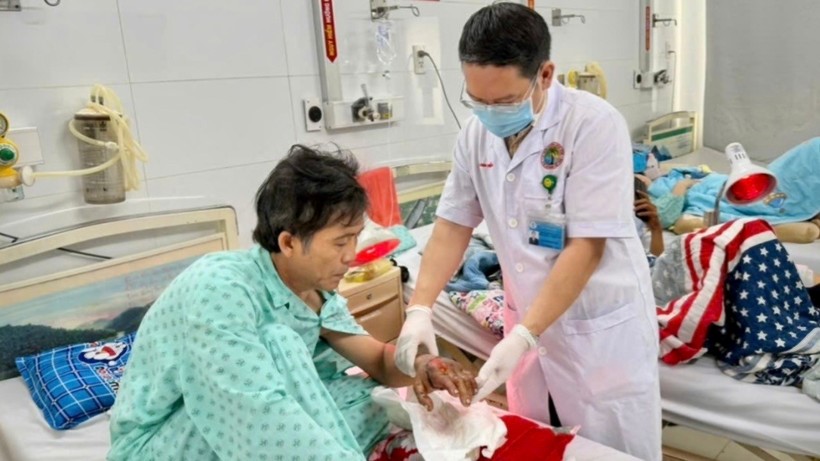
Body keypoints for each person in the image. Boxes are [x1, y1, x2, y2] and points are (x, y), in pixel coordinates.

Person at [393, 4, 662, 460]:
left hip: (596, 330)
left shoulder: (593, 125)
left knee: (610, 451)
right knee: (532, 443)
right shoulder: (474, 136)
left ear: (545, 75)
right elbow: (453, 224)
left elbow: (586, 247)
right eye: (477, 100)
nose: (489, 114)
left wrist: (524, 337)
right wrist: (419, 308)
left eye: (503, 102)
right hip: (529, 326)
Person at [108, 145, 477, 461]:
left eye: (355, 238)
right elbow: (254, 410)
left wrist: (423, 365)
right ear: (288, 242)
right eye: (340, 242)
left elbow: (378, 361)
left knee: (368, 399)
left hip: (248, 416)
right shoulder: (219, 289)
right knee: (283, 344)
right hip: (161, 442)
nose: (351, 256)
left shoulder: (314, 290)